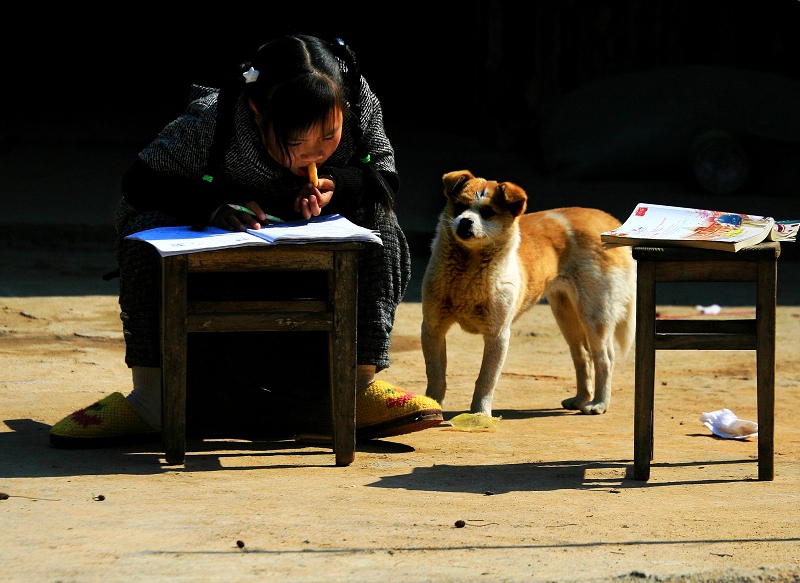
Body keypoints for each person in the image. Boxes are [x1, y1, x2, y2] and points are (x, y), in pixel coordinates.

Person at [49, 34, 443, 446]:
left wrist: (337, 186)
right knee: (142, 229)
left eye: (328, 136)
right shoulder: (214, 120)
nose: (315, 153)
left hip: (310, 257)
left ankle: (357, 387)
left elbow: (384, 176)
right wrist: (213, 207)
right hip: (217, 253)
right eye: (296, 142)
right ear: (257, 112)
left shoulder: (357, 100)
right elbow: (140, 182)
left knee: (381, 224)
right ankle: (152, 399)